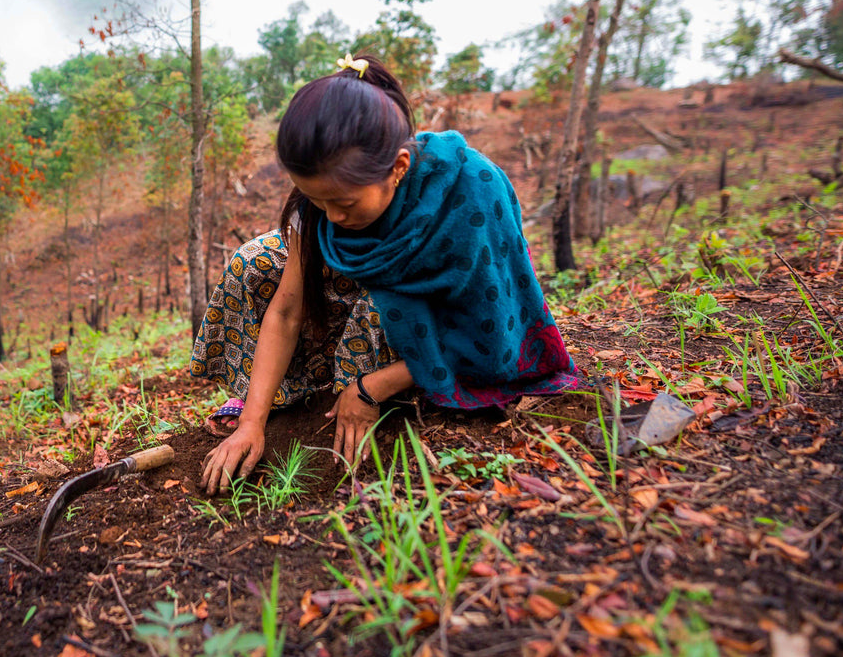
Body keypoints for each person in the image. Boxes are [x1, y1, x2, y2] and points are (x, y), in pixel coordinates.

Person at [197, 53, 580, 494]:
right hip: (358, 308)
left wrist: (371, 388)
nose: (332, 216)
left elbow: (487, 324)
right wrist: (252, 422)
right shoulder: (327, 197)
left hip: (443, 332)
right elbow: (286, 312)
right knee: (256, 261)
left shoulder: (470, 193)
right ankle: (299, 391)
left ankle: (388, 390)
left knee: (381, 301)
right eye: (318, 201)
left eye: (345, 203)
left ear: (398, 168)